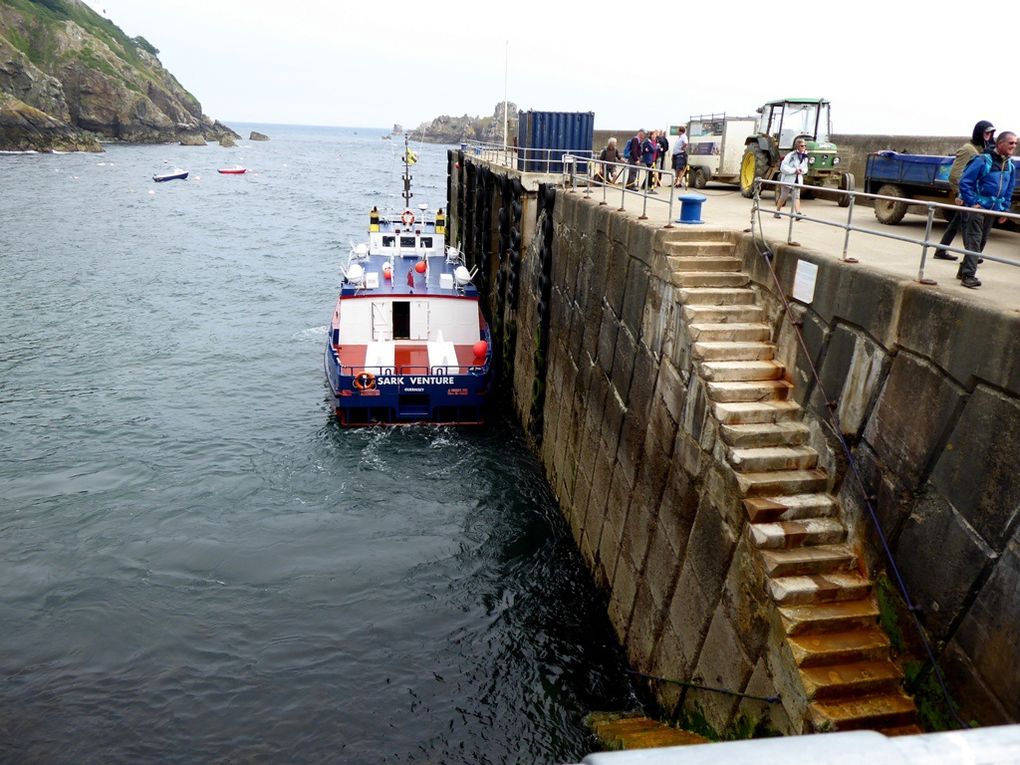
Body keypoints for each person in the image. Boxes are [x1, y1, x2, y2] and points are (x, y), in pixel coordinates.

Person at [956, 131, 1017, 288]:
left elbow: (1009, 190)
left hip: (992, 209)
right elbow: (965, 182)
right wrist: (972, 202)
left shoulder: (1010, 166)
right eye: (1011, 143)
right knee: (975, 240)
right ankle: (968, 276)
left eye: (1016, 143)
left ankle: (963, 270)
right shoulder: (983, 160)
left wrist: (1003, 209)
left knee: (981, 242)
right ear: (1000, 143)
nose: (1014, 146)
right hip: (978, 208)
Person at [933, 120, 995, 260]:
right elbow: (954, 175)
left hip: (972, 193)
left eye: (991, 133)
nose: (989, 135)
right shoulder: (968, 149)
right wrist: (959, 194)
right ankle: (972, 256)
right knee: (969, 226)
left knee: (957, 223)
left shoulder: (981, 150)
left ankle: (940, 250)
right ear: (979, 132)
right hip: (967, 195)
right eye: (986, 132)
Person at [775, 137, 808, 218]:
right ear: (797, 146)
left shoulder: (805, 157)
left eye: (804, 146)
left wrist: (802, 171)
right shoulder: (790, 156)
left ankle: (798, 214)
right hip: (788, 179)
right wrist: (794, 170)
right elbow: (783, 167)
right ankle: (777, 211)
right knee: (783, 196)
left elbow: (805, 168)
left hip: (797, 179)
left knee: (797, 197)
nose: (804, 147)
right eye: (802, 146)